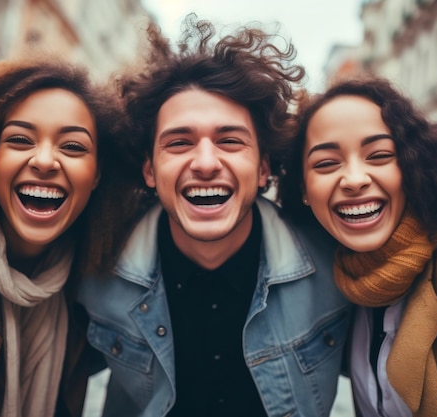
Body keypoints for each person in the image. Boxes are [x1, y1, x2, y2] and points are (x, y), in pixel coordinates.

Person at [78, 15, 351, 417]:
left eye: (229, 140)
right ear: (149, 170)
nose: (206, 162)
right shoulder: (92, 267)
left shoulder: (337, 268)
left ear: (263, 169)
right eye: (180, 142)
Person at [279, 76, 437, 417]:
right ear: (304, 190)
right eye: (326, 163)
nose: (354, 179)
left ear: (413, 165)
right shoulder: (344, 282)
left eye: (380, 155)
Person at [0, 55, 139, 417]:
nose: (45, 161)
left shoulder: (92, 297)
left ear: (96, 176)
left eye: (73, 146)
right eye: (20, 139)